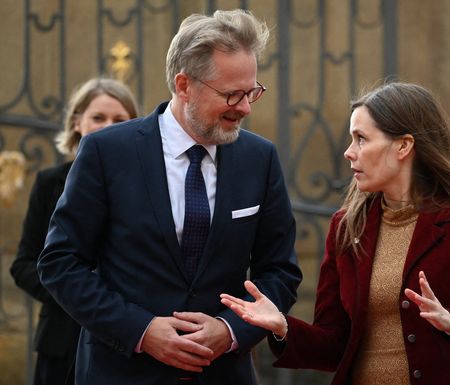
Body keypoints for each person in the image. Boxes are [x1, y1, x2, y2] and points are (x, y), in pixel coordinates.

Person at [37, 9, 302, 385]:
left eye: (252, 92)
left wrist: (229, 332)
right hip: (121, 372)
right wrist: (141, 330)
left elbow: (280, 271)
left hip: (222, 374)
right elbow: (60, 262)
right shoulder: (106, 152)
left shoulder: (260, 159)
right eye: (232, 94)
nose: (244, 107)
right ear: (184, 85)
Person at [221, 82, 450, 385]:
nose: (349, 152)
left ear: (404, 146)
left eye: (361, 139)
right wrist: (282, 326)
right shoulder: (346, 227)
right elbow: (334, 344)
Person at [10, 77, 138, 385]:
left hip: (128, 340)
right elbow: (24, 264)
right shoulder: (49, 182)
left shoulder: (145, 187)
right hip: (61, 340)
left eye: (120, 120)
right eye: (98, 118)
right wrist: (73, 291)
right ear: (77, 122)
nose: (108, 126)